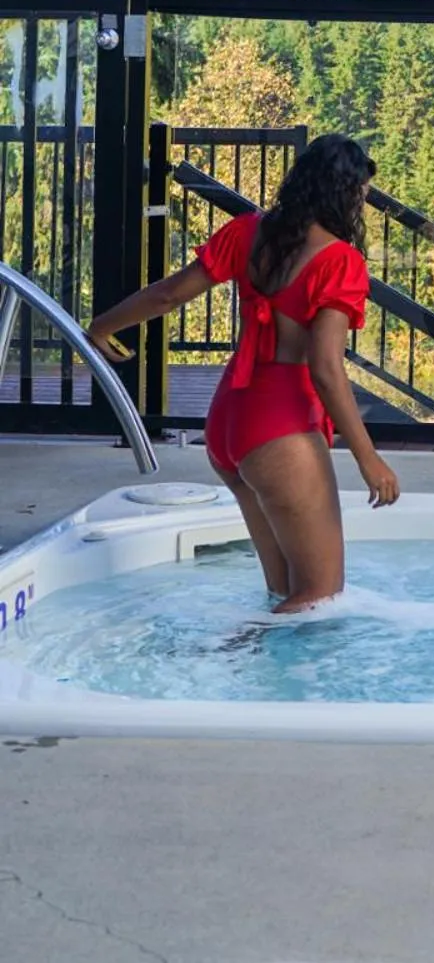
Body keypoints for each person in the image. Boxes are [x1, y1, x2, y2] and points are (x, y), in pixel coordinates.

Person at [86, 132, 400, 612]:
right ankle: (237, 654)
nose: (364, 202)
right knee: (319, 595)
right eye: (361, 192)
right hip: (282, 427)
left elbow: (169, 294)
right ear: (343, 193)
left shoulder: (249, 231)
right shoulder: (340, 260)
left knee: (282, 591)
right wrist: (368, 457)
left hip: (230, 421)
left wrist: (102, 325)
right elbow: (325, 368)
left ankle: (249, 671)